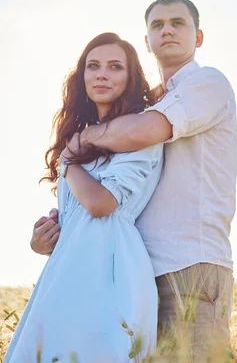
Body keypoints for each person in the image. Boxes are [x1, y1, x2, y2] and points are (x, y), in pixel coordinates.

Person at [32, 0, 237, 361]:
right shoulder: (150, 104)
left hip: (191, 265)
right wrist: (56, 233)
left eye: (178, 23)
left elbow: (146, 132)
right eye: (157, 25)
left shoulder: (206, 84)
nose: (167, 30)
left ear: (199, 37)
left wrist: (77, 145)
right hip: (137, 273)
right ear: (147, 42)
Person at [7, 33, 163, 362]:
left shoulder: (140, 131)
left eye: (115, 67)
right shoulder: (79, 136)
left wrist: (66, 163)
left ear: (131, 78)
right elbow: (77, 209)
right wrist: (45, 239)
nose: (101, 74)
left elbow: (101, 204)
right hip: (67, 265)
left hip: (110, 266)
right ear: (83, 77)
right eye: (93, 66)